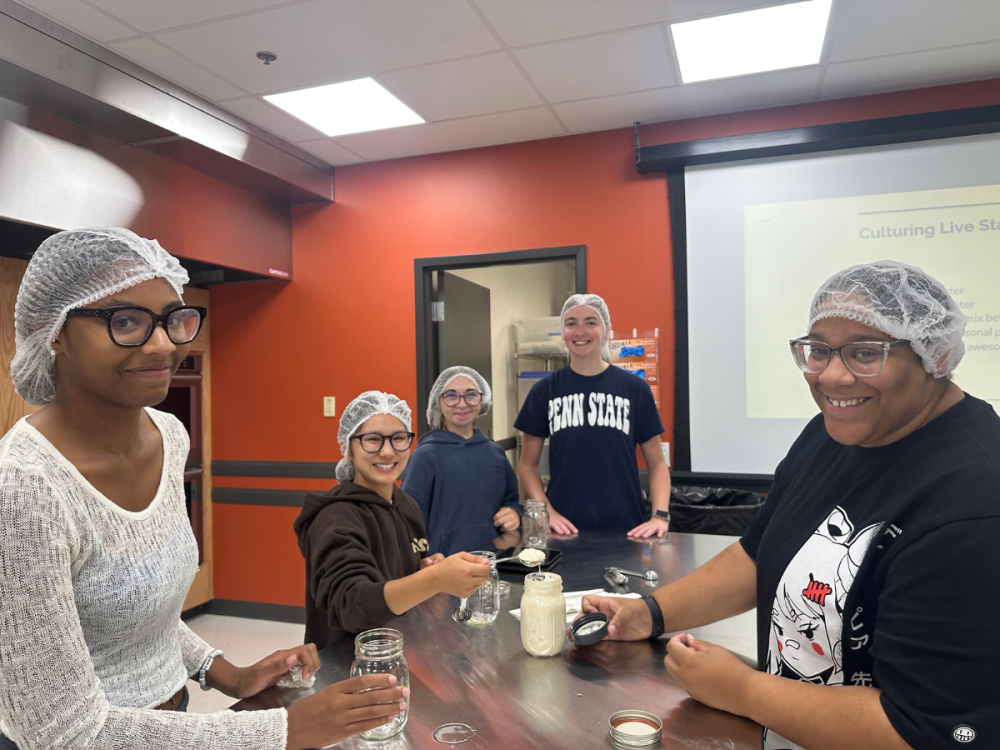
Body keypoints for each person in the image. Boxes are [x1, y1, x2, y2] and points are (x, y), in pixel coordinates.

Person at [0, 228, 408, 750]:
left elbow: (141, 610)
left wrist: (225, 673)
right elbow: (63, 732)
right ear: (51, 331)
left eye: (174, 319)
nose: (163, 344)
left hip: (176, 715)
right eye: (124, 321)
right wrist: (283, 730)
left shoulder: (169, 436)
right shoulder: (24, 489)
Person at [579, 261, 1000, 749]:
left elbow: (930, 731)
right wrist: (650, 612)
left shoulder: (975, 500)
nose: (833, 377)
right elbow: (759, 555)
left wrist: (741, 688)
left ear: (937, 356)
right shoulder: (831, 435)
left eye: (867, 353)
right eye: (818, 351)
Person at [294, 391, 490, 649]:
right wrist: (434, 580)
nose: (387, 452)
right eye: (372, 440)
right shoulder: (335, 518)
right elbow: (352, 607)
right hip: (348, 668)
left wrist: (425, 573)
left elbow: (401, 582)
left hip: (403, 653)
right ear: (349, 449)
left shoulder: (406, 505)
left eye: (398, 439)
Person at [514, 293, 671, 538]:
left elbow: (657, 463)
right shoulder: (544, 391)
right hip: (564, 529)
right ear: (562, 331)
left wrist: (660, 515)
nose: (580, 331)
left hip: (627, 528)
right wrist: (547, 512)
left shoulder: (634, 389)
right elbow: (526, 465)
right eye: (571, 323)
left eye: (590, 322)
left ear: (606, 330)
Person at [402, 366, 521, 555]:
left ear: (482, 400)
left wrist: (514, 513)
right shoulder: (425, 457)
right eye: (451, 395)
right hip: (443, 569)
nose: (462, 403)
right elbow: (409, 522)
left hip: (493, 563)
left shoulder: (496, 454)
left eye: (471, 394)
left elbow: (512, 500)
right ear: (437, 403)